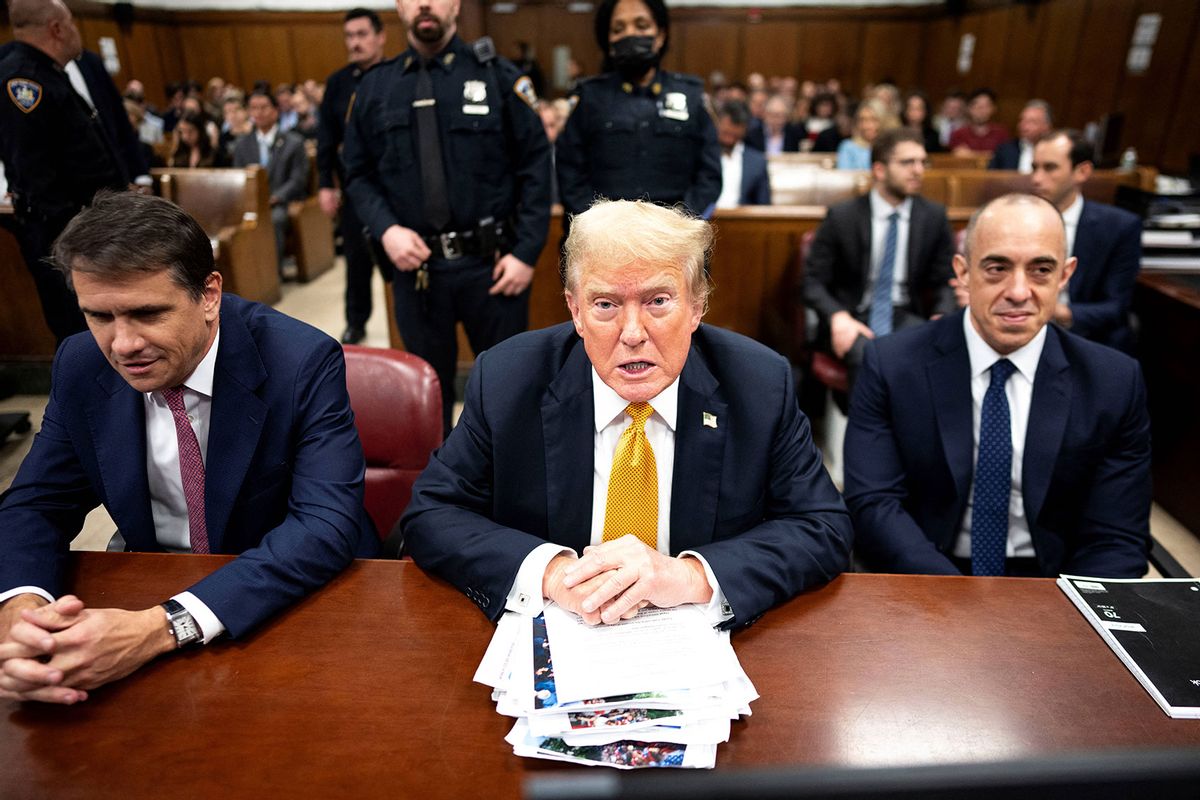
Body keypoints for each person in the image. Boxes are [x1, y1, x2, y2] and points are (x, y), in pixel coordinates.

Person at [0, 192, 377, 705]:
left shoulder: (301, 360)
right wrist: (25, 613)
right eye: (99, 316)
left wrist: (164, 627)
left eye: (147, 313)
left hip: (286, 601)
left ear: (209, 295)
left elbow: (323, 527)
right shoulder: (80, 362)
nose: (123, 344)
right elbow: (38, 503)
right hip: (146, 590)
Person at [402, 200, 852, 628]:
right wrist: (553, 574)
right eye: (605, 305)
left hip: (701, 642)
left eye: (658, 301)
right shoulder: (507, 378)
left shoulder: (758, 384)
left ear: (697, 307)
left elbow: (822, 527)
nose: (633, 333)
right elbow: (432, 513)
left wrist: (690, 577)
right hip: (556, 633)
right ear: (575, 311)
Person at [844, 193, 1151, 578]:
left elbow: (1117, 537)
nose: (1019, 291)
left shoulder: (1114, 382)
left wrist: (1067, 618)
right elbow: (874, 504)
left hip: (1054, 582)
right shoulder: (891, 364)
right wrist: (957, 601)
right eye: (996, 268)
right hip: (925, 574)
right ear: (963, 272)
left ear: (1065, 275)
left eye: (1041, 269)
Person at [343, 0, 552, 435]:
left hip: (494, 267)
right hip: (416, 269)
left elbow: (536, 166)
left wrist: (526, 253)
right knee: (425, 397)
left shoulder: (499, 77)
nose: (424, 4)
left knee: (508, 394)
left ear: (455, 4)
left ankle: (506, 493)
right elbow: (358, 174)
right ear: (399, 6)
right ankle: (440, 495)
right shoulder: (375, 89)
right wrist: (386, 230)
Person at [0, 0, 129, 344]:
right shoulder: (24, 81)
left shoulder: (47, 72)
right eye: (71, 23)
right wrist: (77, 235)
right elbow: (36, 176)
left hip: (89, 230)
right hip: (68, 238)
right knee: (83, 331)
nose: (77, 32)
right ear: (56, 29)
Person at [804, 127, 956, 384]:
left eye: (922, 162)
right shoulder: (843, 216)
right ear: (879, 170)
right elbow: (811, 282)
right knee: (868, 356)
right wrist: (837, 317)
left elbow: (946, 281)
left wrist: (941, 316)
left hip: (905, 314)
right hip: (852, 315)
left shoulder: (933, 217)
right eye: (907, 162)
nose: (918, 170)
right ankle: (867, 426)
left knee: (924, 353)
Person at [555, 0, 720, 220]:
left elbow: (709, 176)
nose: (630, 35)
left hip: (675, 236)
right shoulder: (588, 97)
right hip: (602, 235)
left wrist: (678, 224)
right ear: (609, 40)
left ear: (660, 35)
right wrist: (599, 226)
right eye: (618, 29)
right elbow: (570, 173)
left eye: (641, 26)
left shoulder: (690, 95)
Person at [1030, 129, 1141, 353]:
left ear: (1082, 171)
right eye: (1034, 168)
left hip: (1083, 335)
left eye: (1049, 168)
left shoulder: (1119, 227)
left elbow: (1116, 307)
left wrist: (1056, 312)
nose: (1036, 179)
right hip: (1023, 330)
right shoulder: (1015, 220)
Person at [317, 7, 388, 346]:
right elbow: (326, 139)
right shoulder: (338, 83)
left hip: (394, 184)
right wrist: (325, 185)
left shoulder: (396, 74)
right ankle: (356, 322)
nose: (355, 43)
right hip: (354, 185)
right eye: (350, 36)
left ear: (380, 37)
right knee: (357, 261)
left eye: (362, 34)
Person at [232, 90, 310, 276]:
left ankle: (271, 274)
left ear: (275, 111)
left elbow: (298, 179)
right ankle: (244, 275)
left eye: (264, 107)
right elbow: (238, 176)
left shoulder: (294, 142)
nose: (258, 112)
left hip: (281, 202)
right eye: (254, 108)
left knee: (274, 220)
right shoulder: (242, 144)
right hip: (251, 203)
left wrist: (276, 197)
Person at [713, 100, 770, 209]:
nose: (729, 140)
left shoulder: (757, 162)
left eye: (735, 136)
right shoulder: (702, 155)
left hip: (743, 222)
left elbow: (764, 207)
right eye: (725, 133)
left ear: (745, 130)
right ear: (718, 123)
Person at [989, 99, 1052, 172]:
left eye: (1031, 122)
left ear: (1046, 127)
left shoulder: (1055, 151)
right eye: (1022, 120)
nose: (1023, 126)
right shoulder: (1005, 150)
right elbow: (990, 178)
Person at [949, 88, 1008, 155]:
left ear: (993, 109)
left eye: (986, 106)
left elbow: (1004, 156)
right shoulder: (958, 134)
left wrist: (971, 154)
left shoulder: (1001, 134)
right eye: (977, 106)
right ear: (969, 108)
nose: (981, 111)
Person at [835, 99, 887, 170]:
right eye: (862, 120)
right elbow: (844, 175)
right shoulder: (848, 147)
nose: (867, 126)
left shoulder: (890, 148)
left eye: (873, 120)